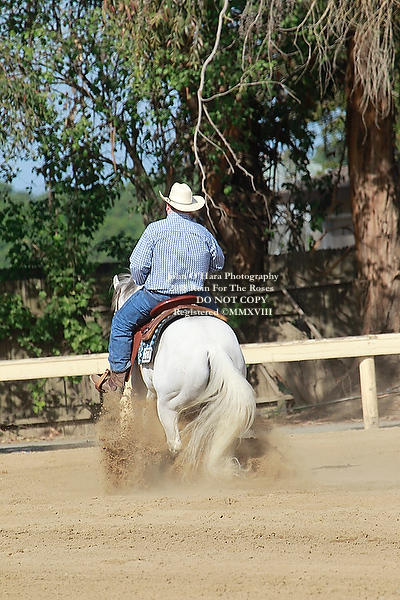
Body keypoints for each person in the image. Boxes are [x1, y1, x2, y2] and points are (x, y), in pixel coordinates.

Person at [91, 181, 225, 393]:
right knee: (219, 323)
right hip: (196, 297)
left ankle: (115, 381)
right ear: (191, 210)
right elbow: (218, 264)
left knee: (121, 322)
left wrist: (144, 278)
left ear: (168, 206)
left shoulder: (155, 230)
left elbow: (137, 268)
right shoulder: (203, 233)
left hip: (158, 297)